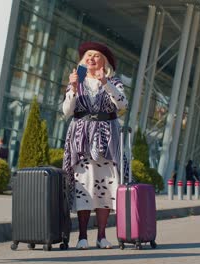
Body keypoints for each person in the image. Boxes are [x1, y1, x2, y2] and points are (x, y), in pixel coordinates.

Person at [62, 41, 128, 250]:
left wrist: (106, 83)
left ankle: (101, 236)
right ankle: (82, 236)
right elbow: (66, 111)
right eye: (88, 55)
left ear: (103, 62)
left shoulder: (114, 82)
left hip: (107, 140)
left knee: (105, 189)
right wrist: (73, 89)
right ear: (83, 61)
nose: (91, 58)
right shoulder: (77, 81)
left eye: (96, 56)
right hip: (81, 139)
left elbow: (122, 105)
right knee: (85, 187)